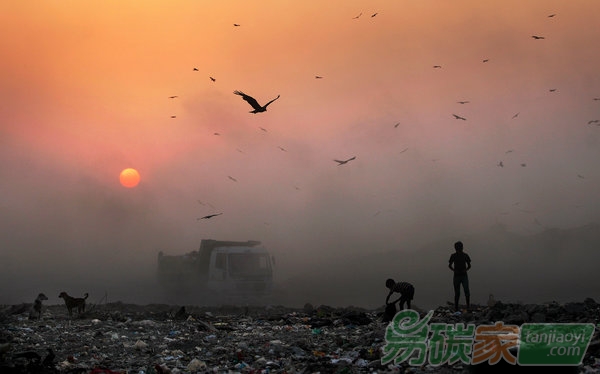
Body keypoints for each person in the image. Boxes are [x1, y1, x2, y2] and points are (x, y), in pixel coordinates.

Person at [448, 241, 471, 311]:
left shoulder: (459, 255)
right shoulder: (459, 255)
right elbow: (469, 265)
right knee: (461, 292)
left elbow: (450, 265)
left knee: (462, 292)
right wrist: (465, 270)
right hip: (460, 276)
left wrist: (455, 270)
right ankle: (461, 307)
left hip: (460, 276)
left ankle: (459, 307)